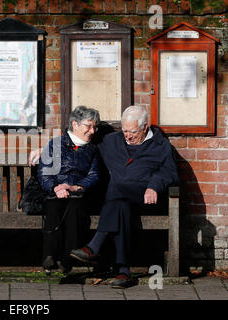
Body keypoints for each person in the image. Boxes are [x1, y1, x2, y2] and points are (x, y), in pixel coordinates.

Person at [29, 105, 179, 288]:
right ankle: (123, 272)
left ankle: (94, 246)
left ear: (145, 127)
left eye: (132, 132)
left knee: (117, 190)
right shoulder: (112, 141)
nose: (127, 136)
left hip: (147, 198)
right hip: (119, 202)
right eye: (124, 131)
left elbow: (169, 172)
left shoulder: (160, 145)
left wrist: (154, 186)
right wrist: (44, 151)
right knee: (119, 206)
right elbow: (77, 142)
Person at [37, 106, 100, 275]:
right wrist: (56, 187)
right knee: (54, 206)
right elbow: (44, 172)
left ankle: (67, 260)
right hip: (55, 192)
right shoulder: (56, 144)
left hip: (78, 193)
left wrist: (75, 187)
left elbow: (94, 175)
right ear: (75, 124)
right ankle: (49, 256)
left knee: (75, 208)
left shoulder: (92, 150)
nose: (92, 131)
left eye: (95, 127)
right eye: (88, 126)